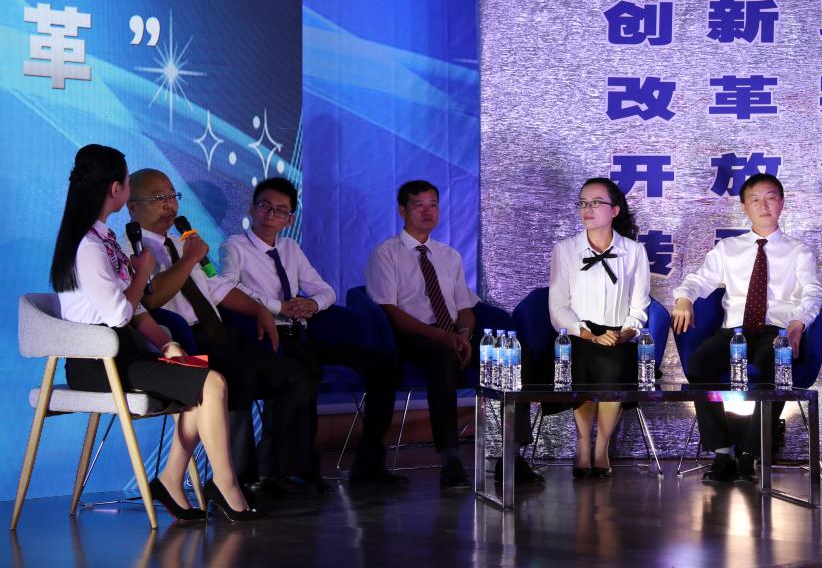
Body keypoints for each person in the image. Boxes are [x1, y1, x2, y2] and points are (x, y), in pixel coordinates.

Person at [51, 144, 256, 521]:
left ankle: (173, 480)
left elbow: (137, 310)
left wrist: (167, 342)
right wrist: (143, 272)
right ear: (117, 190)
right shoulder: (88, 246)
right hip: (99, 362)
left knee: (205, 381)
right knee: (211, 383)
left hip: (126, 352)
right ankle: (224, 486)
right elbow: (118, 313)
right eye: (128, 181)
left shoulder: (104, 239)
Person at [126, 168, 312, 497]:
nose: (170, 205)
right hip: (183, 343)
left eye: (172, 196)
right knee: (241, 377)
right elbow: (150, 299)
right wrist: (189, 260)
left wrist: (259, 310)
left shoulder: (182, 244)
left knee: (295, 375)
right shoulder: (132, 249)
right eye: (158, 198)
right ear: (132, 206)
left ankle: (273, 472)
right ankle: (235, 478)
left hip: (219, 331)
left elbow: (216, 288)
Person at [219, 177, 407, 487]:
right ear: (251, 209)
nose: (270, 215)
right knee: (303, 373)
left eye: (281, 211)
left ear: (289, 219)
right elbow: (226, 288)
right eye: (265, 206)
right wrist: (277, 306)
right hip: (265, 335)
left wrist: (312, 304)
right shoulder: (234, 246)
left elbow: (326, 290)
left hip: (302, 333)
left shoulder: (290, 247)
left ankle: (369, 463)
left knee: (383, 365)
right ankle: (285, 471)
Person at [366, 180, 543, 489]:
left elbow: (465, 307)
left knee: (515, 356)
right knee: (443, 356)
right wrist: (443, 338)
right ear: (402, 211)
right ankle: (450, 458)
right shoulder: (386, 254)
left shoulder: (448, 255)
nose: (427, 212)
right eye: (418, 206)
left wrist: (462, 333)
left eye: (433, 205)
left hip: (454, 334)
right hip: (411, 336)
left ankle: (511, 455)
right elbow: (390, 312)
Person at [672, 173, 822, 483]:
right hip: (734, 332)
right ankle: (722, 453)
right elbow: (699, 280)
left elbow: (814, 292)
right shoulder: (728, 248)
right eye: (755, 199)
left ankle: (751, 454)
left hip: (775, 332)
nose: (763, 205)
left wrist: (798, 321)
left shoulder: (799, 251)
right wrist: (684, 298)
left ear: (781, 203)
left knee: (777, 363)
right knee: (699, 362)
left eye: (770, 198)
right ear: (744, 207)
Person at [549, 177, 651, 479]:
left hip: (617, 334)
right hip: (577, 333)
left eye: (595, 203)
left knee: (615, 363)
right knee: (580, 360)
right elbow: (557, 306)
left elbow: (640, 306)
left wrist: (626, 333)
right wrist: (588, 335)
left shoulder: (634, 251)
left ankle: (602, 447)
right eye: (583, 203)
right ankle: (583, 443)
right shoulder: (565, 249)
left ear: (615, 210)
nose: (587, 209)